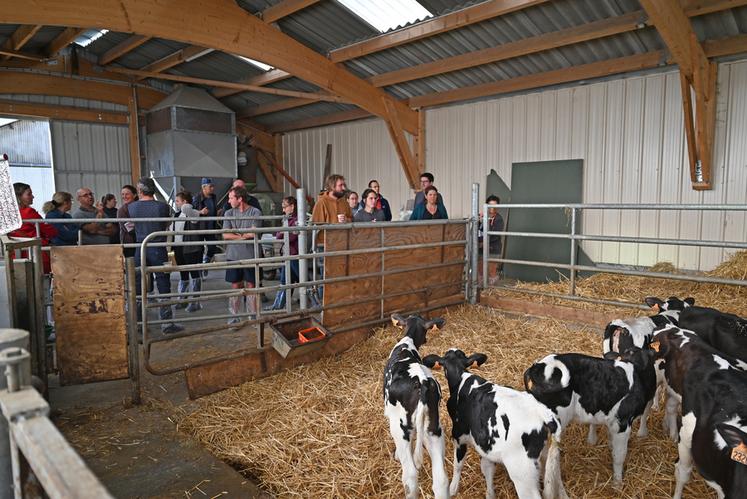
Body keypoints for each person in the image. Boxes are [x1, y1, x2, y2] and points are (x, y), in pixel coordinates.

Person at [128, 178, 183, 334]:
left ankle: (138, 323)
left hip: (139, 247)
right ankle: (166, 323)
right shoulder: (162, 207)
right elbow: (165, 224)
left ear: (139, 191)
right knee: (163, 281)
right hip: (157, 246)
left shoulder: (132, 207)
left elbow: (131, 226)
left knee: (138, 284)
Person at [223, 186, 263, 325]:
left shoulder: (255, 212)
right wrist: (242, 236)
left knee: (251, 285)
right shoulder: (228, 213)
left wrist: (237, 234)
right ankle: (234, 317)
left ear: (240, 199)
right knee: (235, 285)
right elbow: (225, 234)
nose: (229, 201)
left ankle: (253, 316)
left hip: (251, 255)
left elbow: (254, 233)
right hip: (234, 255)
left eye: (231, 198)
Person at [9, 183, 57, 273]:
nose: (33, 196)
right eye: (29, 194)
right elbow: (51, 231)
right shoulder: (28, 212)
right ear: (19, 197)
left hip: (15, 255)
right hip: (36, 255)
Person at [172, 191, 202, 313]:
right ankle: (182, 299)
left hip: (191, 248)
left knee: (194, 274)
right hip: (178, 247)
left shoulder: (192, 213)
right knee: (183, 273)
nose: (176, 203)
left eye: (178, 201)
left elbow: (186, 208)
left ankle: (195, 302)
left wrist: (187, 203)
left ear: (185, 202)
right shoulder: (177, 214)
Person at [268, 196, 299, 310]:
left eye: (285, 207)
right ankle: (278, 305)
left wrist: (282, 232)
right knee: (286, 280)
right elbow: (279, 235)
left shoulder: (296, 220)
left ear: (292, 206)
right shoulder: (288, 219)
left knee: (304, 280)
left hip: (295, 255)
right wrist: (282, 232)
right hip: (289, 254)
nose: (283, 210)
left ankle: (317, 302)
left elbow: (289, 237)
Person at [193, 177, 219, 272]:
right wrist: (200, 212)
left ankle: (206, 261)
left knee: (212, 247)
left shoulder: (214, 197)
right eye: (210, 186)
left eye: (213, 186)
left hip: (211, 226)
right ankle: (200, 269)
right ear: (203, 188)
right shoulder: (196, 198)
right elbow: (192, 212)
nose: (212, 188)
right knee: (199, 250)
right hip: (200, 227)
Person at [479, 195, 505, 284]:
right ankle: (481, 290)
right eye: (490, 205)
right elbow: (478, 230)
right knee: (480, 270)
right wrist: (480, 221)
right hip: (482, 248)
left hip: (493, 248)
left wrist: (482, 241)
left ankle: (491, 291)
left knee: (492, 271)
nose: (492, 208)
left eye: (494, 205)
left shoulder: (498, 219)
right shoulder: (482, 217)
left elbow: (495, 235)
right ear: (487, 206)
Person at [118, 185, 138, 258]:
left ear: (135, 195)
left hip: (143, 241)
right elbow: (129, 229)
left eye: (127, 194)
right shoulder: (122, 210)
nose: (124, 196)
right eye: (122, 194)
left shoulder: (140, 207)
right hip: (129, 243)